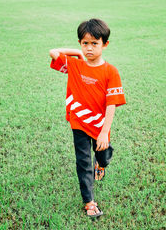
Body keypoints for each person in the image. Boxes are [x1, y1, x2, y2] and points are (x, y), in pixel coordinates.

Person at [49, 18, 126, 218]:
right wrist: (79, 54)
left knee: (102, 154)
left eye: (95, 43)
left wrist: (104, 133)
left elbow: (111, 105)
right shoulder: (75, 66)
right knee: (83, 162)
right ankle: (89, 202)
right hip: (79, 123)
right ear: (79, 44)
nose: (89, 48)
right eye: (85, 43)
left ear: (105, 44)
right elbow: (54, 52)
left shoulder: (111, 72)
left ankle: (101, 164)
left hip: (101, 126)